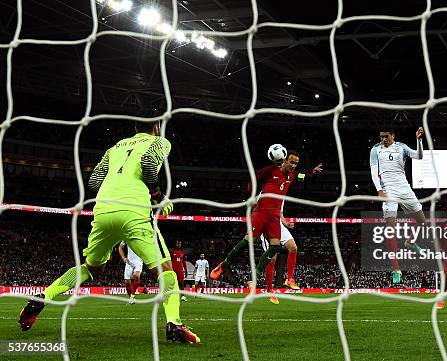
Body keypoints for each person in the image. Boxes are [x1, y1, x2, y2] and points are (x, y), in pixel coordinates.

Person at [18, 121, 199, 343]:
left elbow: (94, 181)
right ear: (157, 126)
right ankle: (174, 324)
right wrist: (158, 195)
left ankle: (44, 296)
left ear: (135, 128)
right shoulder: (159, 141)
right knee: (166, 270)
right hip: (134, 210)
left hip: (103, 209)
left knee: (90, 268)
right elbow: (149, 162)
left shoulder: (115, 147)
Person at [210, 149, 322, 287]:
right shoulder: (271, 170)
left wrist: (312, 173)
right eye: (291, 162)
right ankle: (224, 264)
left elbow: (304, 177)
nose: (293, 165)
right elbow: (254, 179)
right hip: (261, 212)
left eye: (296, 163)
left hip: (274, 216)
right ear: (285, 160)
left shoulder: (292, 176)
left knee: (275, 247)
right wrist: (250, 196)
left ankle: (255, 278)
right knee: (249, 240)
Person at [370, 127, 425, 284]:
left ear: (392, 135)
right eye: (381, 137)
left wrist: (419, 140)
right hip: (388, 190)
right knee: (390, 227)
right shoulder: (375, 149)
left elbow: (419, 156)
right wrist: (379, 189)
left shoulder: (401, 147)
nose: (383, 139)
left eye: (386, 136)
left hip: (405, 188)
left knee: (422, 221)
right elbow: (374, 171)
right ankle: (396, 269)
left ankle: (410, 242)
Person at [261, 209, 299, 304]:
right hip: (267, 226)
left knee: (293, 248)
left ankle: (289, 279)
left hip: (278, 225)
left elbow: (280, 213)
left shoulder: (281, 196)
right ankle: (269, 290)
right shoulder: (262, 195)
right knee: (272, 258)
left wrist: (286, 224)